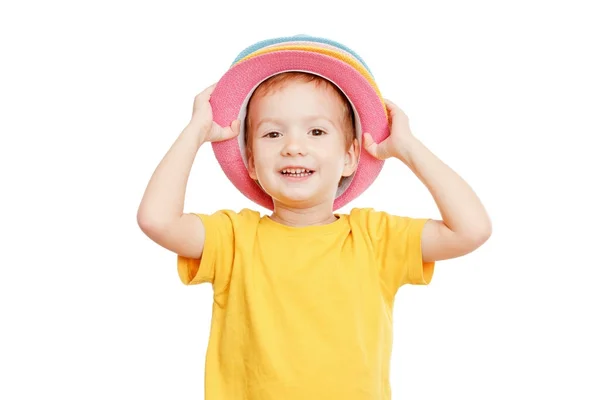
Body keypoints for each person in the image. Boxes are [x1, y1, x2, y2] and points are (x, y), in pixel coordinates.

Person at [137, 71, 492, 399]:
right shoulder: (233, 238)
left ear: (350, 156)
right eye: (272, 133)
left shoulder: (374, 238)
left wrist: (408, 147)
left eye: (317, 132)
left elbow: (471, 229)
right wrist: (195, 132)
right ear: (251, 163)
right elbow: (157, 220)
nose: (293, 146)